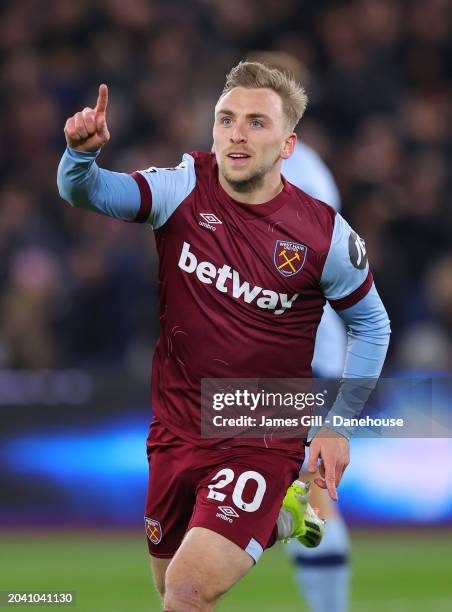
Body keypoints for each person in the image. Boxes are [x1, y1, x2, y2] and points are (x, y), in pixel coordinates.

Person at [57, 61, 390, 611]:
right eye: (226, 118)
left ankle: (281, 501)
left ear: (288, 145)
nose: (237, 132)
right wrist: (81, 155)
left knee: (185, 594)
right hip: (177, 424)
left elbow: (372, 323)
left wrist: (337, 425)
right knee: (171, 589)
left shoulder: (324, 233)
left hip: (262, 421)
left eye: (257, 122)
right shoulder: (182, 186)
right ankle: (282, 517)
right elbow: (86, 193)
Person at [249, 50, 350, 612]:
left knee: (301, 496)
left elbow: (305, 267)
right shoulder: (265, 164)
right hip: (279, 356)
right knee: (280, 492)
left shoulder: (299, 173)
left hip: (299, 356)